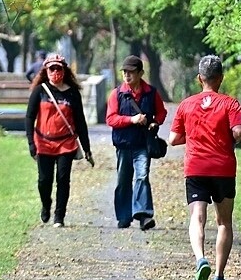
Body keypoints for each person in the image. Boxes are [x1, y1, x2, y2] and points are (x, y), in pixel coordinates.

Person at [168, 55, 241, 280]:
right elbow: (239, 132)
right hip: (223, 169)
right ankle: (219, 277)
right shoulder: (231, 104)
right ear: (220, 78)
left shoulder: (186, 105)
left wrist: (192, 136)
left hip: (196, 168)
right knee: (224, 222)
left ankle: (201, 259)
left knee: (197, 218)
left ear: (199, 79)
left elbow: (172, 140)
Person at [26, 54, 94, 227]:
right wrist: (31, 144)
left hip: (66, 143)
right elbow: (29, 118)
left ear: (64, 71)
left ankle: (59, 216)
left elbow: (80, 121)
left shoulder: (72, 94)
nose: (55, 72)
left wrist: (86, 149)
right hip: (43, 142)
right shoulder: (40, 91)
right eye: (52, 69)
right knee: (44, 180)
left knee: (63, 179)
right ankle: (46, 204)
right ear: (46, 71)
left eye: (59, 68)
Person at [106, 55, 167, 230]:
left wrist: (155, 122)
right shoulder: (116, 94)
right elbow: (111, 119)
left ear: (140, 73)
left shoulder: (151, 93)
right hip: (123, 145)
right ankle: (124, 217)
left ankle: (144, 215)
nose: (127, 75)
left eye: (131, 72)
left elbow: (161, 112)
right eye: (125, 72)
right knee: (123, 180)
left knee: (142, 176)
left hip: (142, 144)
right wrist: (131, 120)